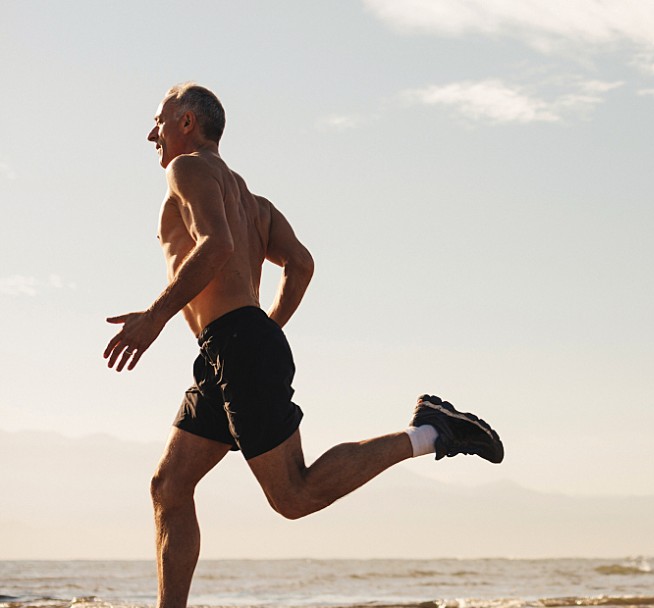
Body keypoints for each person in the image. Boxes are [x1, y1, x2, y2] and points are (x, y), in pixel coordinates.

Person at [103, 82, 504, 608]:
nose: (151, 133)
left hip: (237, 345)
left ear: (187, 122)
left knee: (295, 494)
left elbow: (217, 244)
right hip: (229, 350)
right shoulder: (256, 204)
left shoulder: (189, 170)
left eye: (159, 120)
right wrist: (267, 329)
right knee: (169, 487)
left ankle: (431, 430)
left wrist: (157, 318)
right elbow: (302, 264)